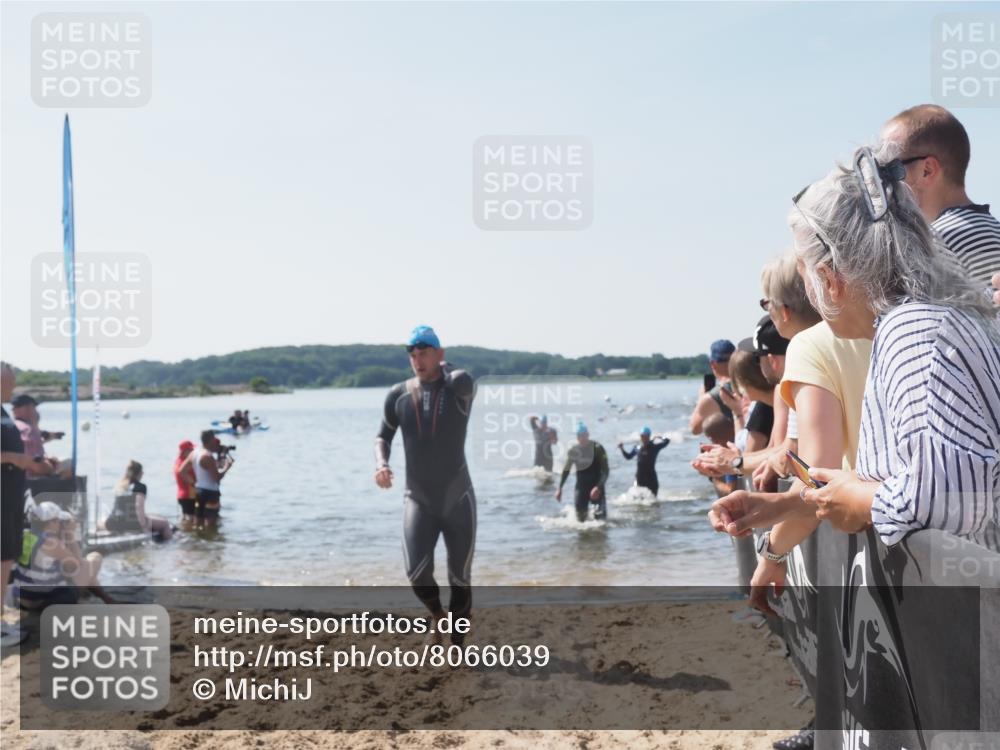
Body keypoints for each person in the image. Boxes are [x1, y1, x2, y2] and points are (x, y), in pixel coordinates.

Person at [374, 326, 477, 644]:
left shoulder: (458, 387)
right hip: (418, 498)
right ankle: (437, 616)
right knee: (416, 574)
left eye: (425, 354)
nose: (418, 361)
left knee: (460, 578)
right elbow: (382, 437)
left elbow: (464, 379)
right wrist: (382, 464)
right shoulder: (398, 395)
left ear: (439, 354)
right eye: (413, 356)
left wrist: (446, 368)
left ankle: (457, 645)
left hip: (458, 497)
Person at [881, 104, 1000, 287]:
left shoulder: (937, 241)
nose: (884, 181)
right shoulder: (992, 228)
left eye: (891, 169)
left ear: (927, 170)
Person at [10, 501, 112, 610]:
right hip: (43, 602)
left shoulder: (26, 535)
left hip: (23, 599)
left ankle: (107, 599)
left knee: (83, 572)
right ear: (51, 522)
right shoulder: (50, 541)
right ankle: (105, 599)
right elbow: (77, 565)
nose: (60, 524)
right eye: (59, 521)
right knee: (95, 559)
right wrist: (70, 534)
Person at [1, 362, 29, 645]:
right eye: (10, 381)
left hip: (9, 498)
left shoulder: (3, 411)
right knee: (2, 558)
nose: (13, 386)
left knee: (6, 557)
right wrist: (12, 458)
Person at [100, 461, 173, 541]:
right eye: (142, 472)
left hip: (113, 522)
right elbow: (139, 508)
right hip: (131, 523)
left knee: (100, 523)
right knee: (165, 524)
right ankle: (170, 545)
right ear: (139, 473)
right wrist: (144, 527)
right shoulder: (140, 487)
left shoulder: (120, 486)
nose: (143, 473)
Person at [179, 430, 234, 529]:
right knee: (211, 526)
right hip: (211, 493)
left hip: (199, 492)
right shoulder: (208, 456)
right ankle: (208, 538)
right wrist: (227, 467)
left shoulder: (194, 453)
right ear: (212, 440)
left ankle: (198, 538)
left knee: (197, 522)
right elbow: (217, 478)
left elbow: (182, 471)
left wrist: (193, 484)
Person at [556, 422, 610, 522]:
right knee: (580, 520)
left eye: (584, 435)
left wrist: (598, 487)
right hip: (581, 487)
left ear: (588, 435)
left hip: (596, 487)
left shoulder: (597, 448)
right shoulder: (574, 451)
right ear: (577, 437)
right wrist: (560, 488)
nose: (583, 438)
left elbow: (606, 471)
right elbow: (566, 470)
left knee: (601, 521)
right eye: (580, 436)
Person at [11, 394, 69, 477]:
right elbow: (35, 463)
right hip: (30, 477)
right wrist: (52, 464)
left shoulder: (12, 427)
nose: (36, 411)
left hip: (15, 475)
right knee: (69, 463)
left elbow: (28, 448)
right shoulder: (28, 430)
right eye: (34, 408)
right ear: (28, 408)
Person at [689, 339, 736, 434]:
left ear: (713, 364)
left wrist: (702, 398)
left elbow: (695, 429)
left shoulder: (713, 396)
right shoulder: (751, 384)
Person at [618, 426, 669, 496]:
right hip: (640, 478)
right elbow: (628, 457)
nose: (644, 438)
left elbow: (667, 441)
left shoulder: (654, 447)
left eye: (646, 436)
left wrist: (658, 437)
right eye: (642, 436)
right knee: (639, 499)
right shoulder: (637, 448)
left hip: (651, 477)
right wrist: (622, 449)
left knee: (654, 499)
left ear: (649, 436)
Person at [174, 440, 198, 525]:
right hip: (189, 495)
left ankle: (183, 531)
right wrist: (194, 484)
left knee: (186, 519)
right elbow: (182, 474)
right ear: (185, 451)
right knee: (191, 519)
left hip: (182, 495)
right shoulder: (184, 463)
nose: (193, 452)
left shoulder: (178, 461)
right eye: (191, 450)